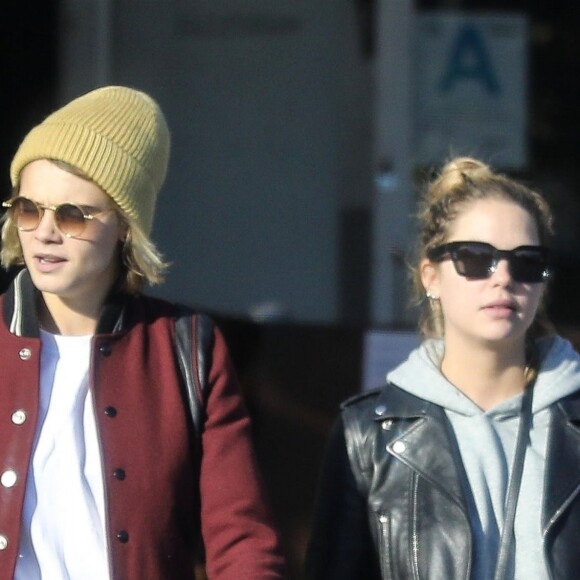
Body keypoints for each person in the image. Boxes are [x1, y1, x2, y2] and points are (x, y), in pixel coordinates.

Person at [0, 86, 286, 579]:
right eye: (29, 209)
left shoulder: (185, 347)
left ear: (125, 227)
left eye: (72, 215)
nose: (44, 231)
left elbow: (241, 538)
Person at [305, 157, 580, 579]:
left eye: (526, 262)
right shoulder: (370, 436)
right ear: (430, 277)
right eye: (475, 258)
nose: (503, 277)